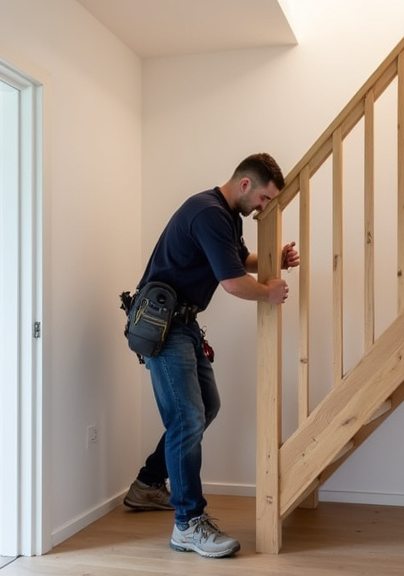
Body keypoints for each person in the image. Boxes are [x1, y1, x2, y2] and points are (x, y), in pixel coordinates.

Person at [123, 153, 300, 558]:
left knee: (206, 407)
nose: (264, 207)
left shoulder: (226, 216)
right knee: (187, 418)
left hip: (180, 324)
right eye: (264, 198)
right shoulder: (208, 213)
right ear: (245, 184)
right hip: (163, 326)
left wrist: (274, 260)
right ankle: (187, 525)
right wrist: (268, 292)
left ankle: (148, 484)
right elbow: (233, 282)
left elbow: (236, 260)